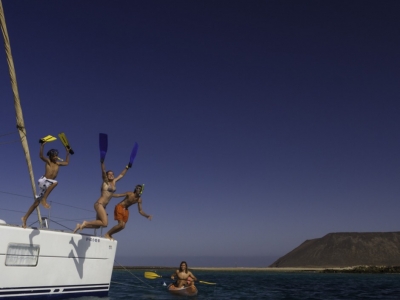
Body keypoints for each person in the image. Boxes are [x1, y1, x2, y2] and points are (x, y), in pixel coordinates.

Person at [22, 141, 70, 228]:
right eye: (54, 156)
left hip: (48, 184)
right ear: (51, 157)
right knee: (56, 182)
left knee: (36, 203)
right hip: (43, 181)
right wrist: (42, 146)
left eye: (56, 156)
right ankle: (44, 199)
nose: (55, 157)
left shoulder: (58, 163)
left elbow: (66, 163)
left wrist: (67, 153)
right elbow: (41, 156)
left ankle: (25, 218)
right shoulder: (48, 162)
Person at [73, 160, 129, 233]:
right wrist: (102, 162)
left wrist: (127, 167)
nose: (111, 175)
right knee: (105, 223)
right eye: (109, 174)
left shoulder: (114, 182)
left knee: (98, 225)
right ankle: (86, 223)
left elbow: (121, 175)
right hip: (99, 204)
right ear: (106, 176)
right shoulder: (106, 182)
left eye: (112, 174)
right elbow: (103, 171)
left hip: (103, 206)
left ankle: (80, 226)